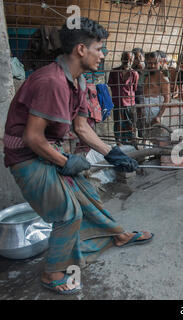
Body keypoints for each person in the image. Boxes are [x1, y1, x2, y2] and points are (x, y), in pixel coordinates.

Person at [3, 17, 153, 295]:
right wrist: (66, 161)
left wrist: (114, 153)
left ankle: (118, 235)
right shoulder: (52, 82)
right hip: (25, 156)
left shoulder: (79, 81)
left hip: (47, 150)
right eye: (100, 48)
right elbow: (33, 138)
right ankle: (52, 273)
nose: (104, 54)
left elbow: (81, 127)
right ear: (81, 50)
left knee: (87, 193)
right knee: (67, 212)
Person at [107, 51, 139, 145]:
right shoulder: (114, 71)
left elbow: (135, 88)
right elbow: (111, 85)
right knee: (118, 124)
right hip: (118, 102)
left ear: (132, 61)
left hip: (130, 103)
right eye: (125, 59)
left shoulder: (134, 73)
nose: (127, 61)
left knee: (130, 124)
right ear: (121, 59)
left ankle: (131, 143)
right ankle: (119, 143)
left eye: (130, 59)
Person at [143, 51, 170, 127]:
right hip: (145, 111)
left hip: (156, 112)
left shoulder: (163, 79)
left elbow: (167, 99)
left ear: (160, 63)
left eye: (155, 63)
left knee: (156, 135)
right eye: (150, 63)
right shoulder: (146, 76)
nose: (152, 65)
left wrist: (158, 116)